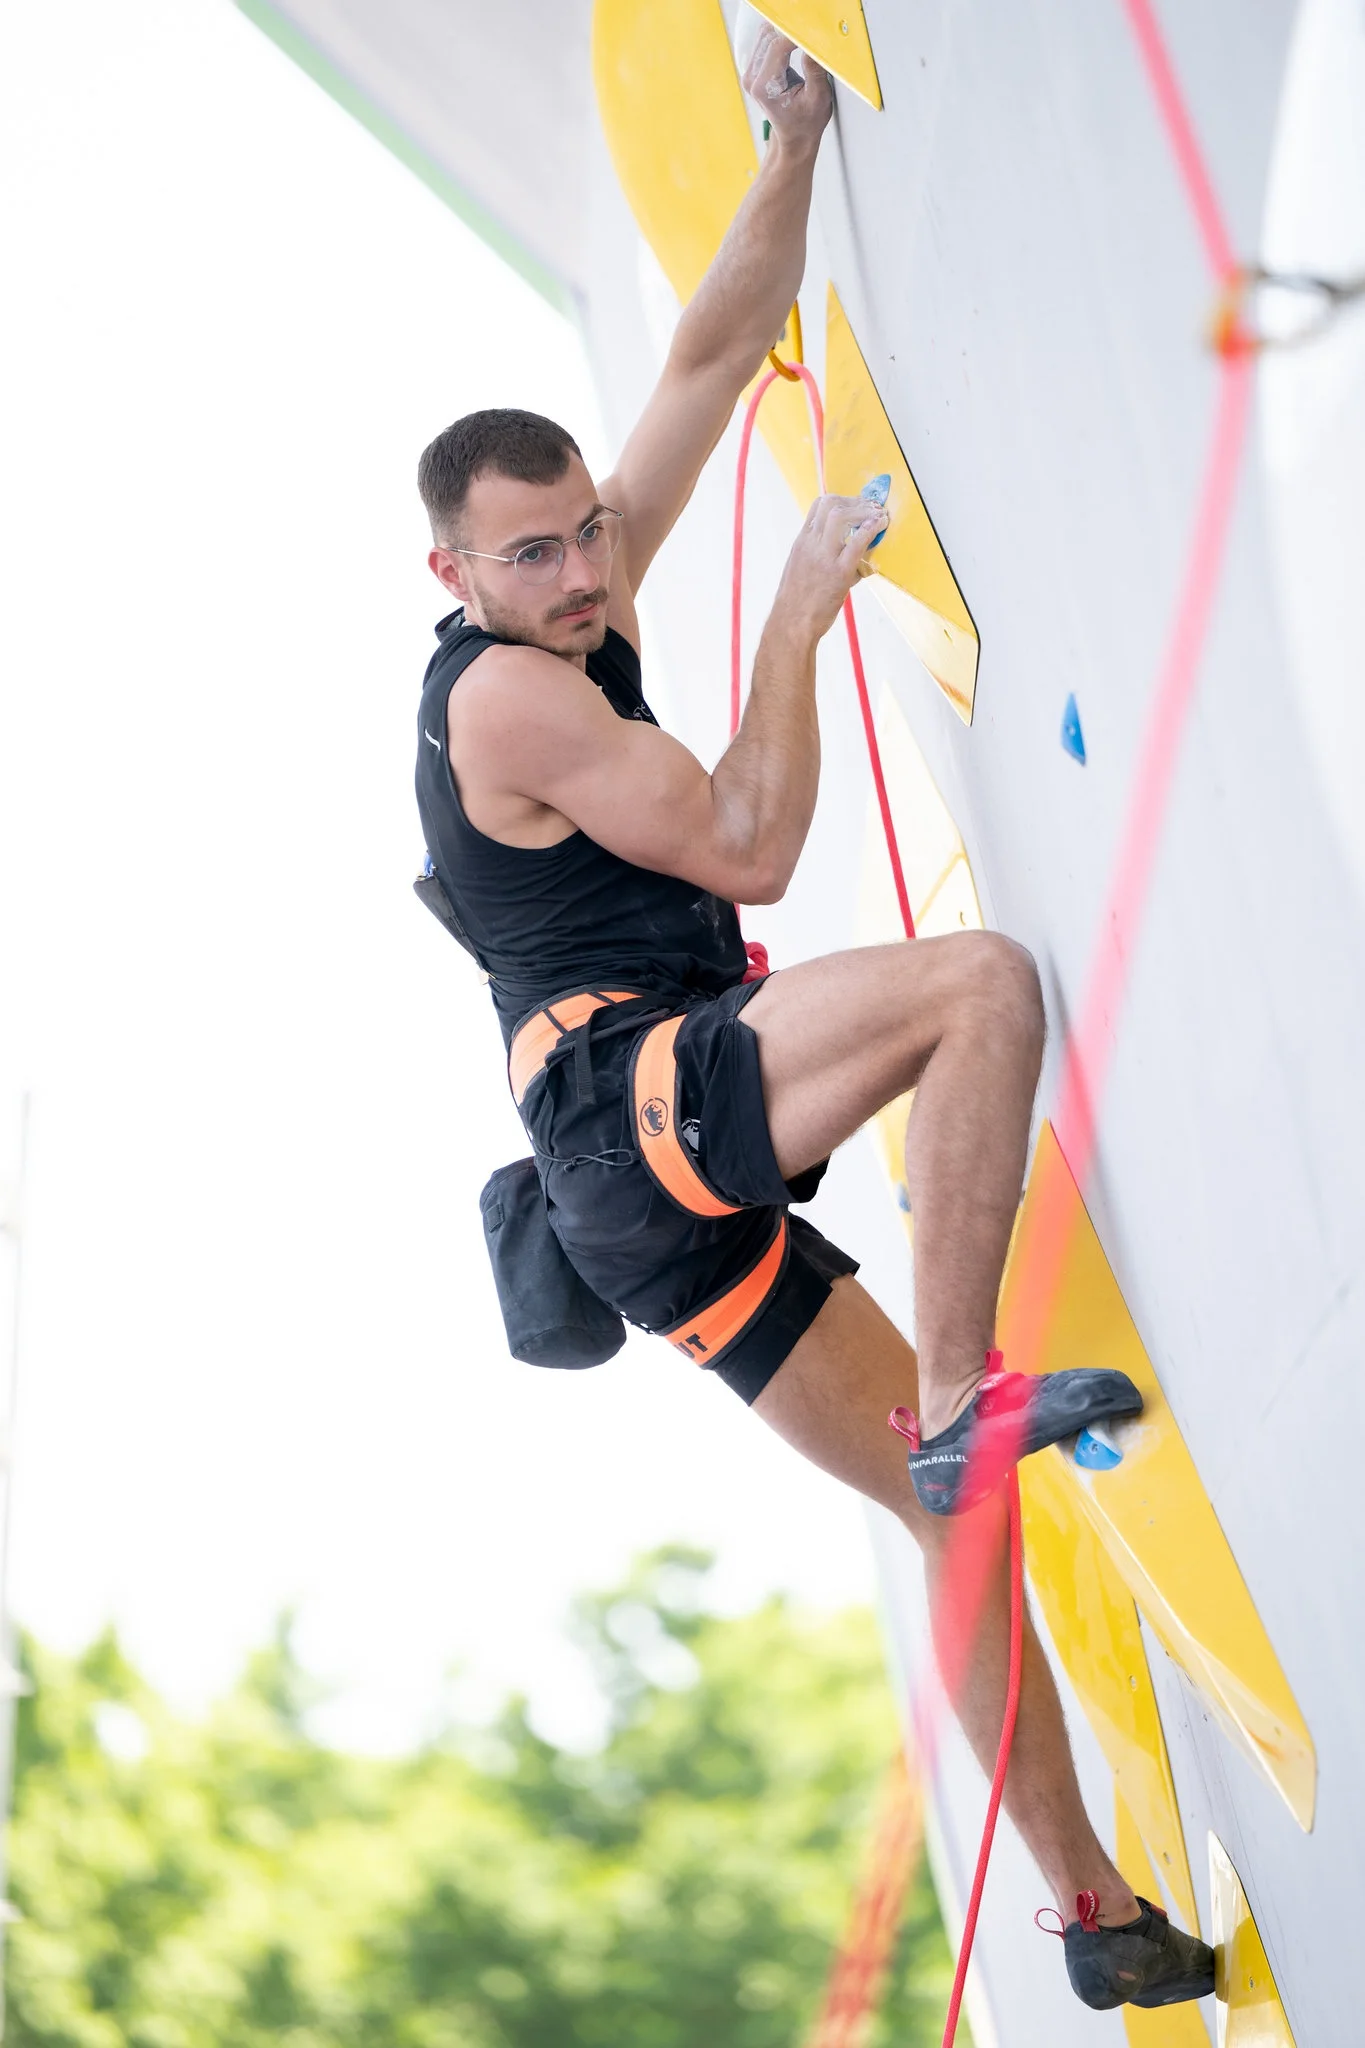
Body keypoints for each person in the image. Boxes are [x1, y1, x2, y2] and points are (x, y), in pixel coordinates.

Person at [412, 25, 1212, 2017]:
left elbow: (700, 357)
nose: (589, 570)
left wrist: (784, 145)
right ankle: (960, 1397)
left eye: (590, 528)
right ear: (453, 575)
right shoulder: (511, 694)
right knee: (977, 988)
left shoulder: (576, 604)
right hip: (626, 1110)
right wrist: (792, 608)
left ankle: (1088, 1908)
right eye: (538, 553)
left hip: (645, 1196)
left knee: (949, 1538)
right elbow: (756, 850)